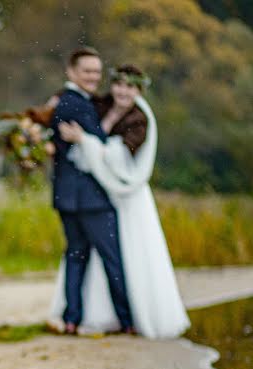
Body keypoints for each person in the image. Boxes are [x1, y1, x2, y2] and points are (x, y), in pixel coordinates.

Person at [50, 64, 190, 339]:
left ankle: (130, 317)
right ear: (112, 86)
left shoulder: (139, 120)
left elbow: (120, 158)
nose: (123, 91)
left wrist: (84, 140)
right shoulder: (102, 104)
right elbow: (75, 97)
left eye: (130, 86)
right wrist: (55, 101)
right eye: (119, 85)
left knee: (125, 255)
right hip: (101, 194)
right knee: (93, 255)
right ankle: (92, 316)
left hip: (127, 194)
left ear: (139, 90)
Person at [50, 48, 135, 336]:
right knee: (112, 257)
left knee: (76, 255)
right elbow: (100, 143)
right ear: (71, 72)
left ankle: (72, 318)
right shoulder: (78, 105)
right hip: (91, 198)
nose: (93, 77)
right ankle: (127, 320)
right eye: (87, 71)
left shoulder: (60, 102)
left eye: (97, 72)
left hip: (65, 196)